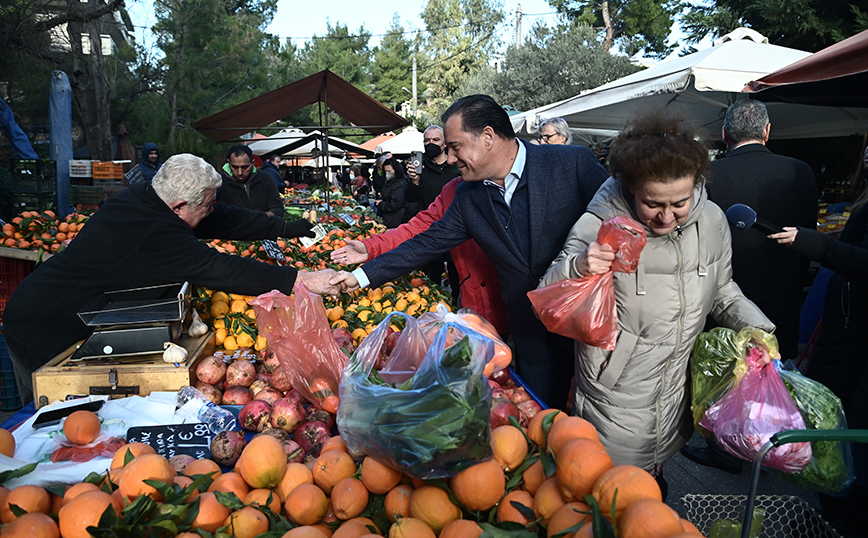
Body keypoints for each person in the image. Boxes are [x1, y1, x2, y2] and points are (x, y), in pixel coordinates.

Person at [538, 110, 775, 496]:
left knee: (653, 481)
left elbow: (723, 288)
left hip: (676, 385)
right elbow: (549, 301)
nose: (666, 216)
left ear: (696, 184)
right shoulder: (600, 223)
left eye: (679, 203)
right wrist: (580, 265)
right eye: (652, 204)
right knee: (608, 494)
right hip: (614, 391)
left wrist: (759, 331)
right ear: (630, 187)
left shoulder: (712, 221)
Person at [330, 94, 609, 408]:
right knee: (542, 420)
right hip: (531, 334)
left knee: (598, 422)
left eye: (455, 147)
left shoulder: (572, 164)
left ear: (488, 136)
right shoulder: (467, 196)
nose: (450, 159)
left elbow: (616, 216)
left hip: (592, 327)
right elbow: (425, 242)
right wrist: (358, 277)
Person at [3, 154, 341, 405]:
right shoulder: (154, 233)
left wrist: (284, 227)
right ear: (179, 205)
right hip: (42, 325)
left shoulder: (152, 199)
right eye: (207, 203)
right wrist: (302, 278)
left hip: (76, 314)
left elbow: (222, 217)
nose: (212, 209)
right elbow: (222, 269)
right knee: (48, 413)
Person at [682, 99, 818, 474]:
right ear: (767, 131)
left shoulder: (709, 174)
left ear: (724, 134)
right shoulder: (801, 171)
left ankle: (727, 448)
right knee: (772, 372)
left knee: (727, 373)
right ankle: (773, 441)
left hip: (726, 292)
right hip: (781, 289)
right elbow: (811, 234)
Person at [768, 145, 868, 537]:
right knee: (838, 435)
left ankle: (842, 517)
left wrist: (819, 245)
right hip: (846, 337)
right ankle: (833, 514)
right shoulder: (862, 200)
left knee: (853, 443)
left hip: (858, 347)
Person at [331, 176, 509, 336]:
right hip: (476, 304)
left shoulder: (528, 178)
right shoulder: (455, 190)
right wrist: (370, 247)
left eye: (456, 147)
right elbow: (417, 232)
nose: (452, 158)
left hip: (521, 309)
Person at [406, 125, 461, 288]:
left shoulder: (456, 166)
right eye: (427, 140)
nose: (431, 143)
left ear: (445, 144)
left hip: (456, 230)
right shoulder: (419, 166)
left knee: (459, 280)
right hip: (429, 230)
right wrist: (414, 181)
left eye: (436, 140)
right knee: (430, 283)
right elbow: (410, 199)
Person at [217, 145, 284, 216]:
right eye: (235, 167)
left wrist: (260, 219)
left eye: (245, 167)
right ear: (229, 163)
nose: (240, 172)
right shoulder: (219, 182)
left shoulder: (265, 178)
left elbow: (277, 208)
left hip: (263, 225)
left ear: (253, 163)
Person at [376, 158, 409, 229]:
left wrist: (381, 204)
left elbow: (395, 204)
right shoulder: (389, 181)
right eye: (386, 171)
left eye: (389, 171)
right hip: (388, 218)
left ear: (395, 170)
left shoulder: (400, 184)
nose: (388, 173)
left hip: (395, 220)